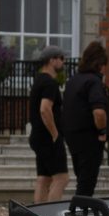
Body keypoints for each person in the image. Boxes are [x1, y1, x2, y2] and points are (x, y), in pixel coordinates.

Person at [61, 41, 109, 202]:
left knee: (81, 177)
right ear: (100, 64)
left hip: (72, 135)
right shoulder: (94, 82)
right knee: (87, 183)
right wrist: (102, 131)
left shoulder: (73, 80)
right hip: (89, 137)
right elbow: (99, 112)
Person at [27, 47, 70, 205]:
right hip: (47, 137)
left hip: (38, 137)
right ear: (52, 60)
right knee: (61, 178)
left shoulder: (39, 80)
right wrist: (55, 134)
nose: (63, 62)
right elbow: (45, 109)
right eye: (61, 58)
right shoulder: (49, 83)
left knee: (44, 179)